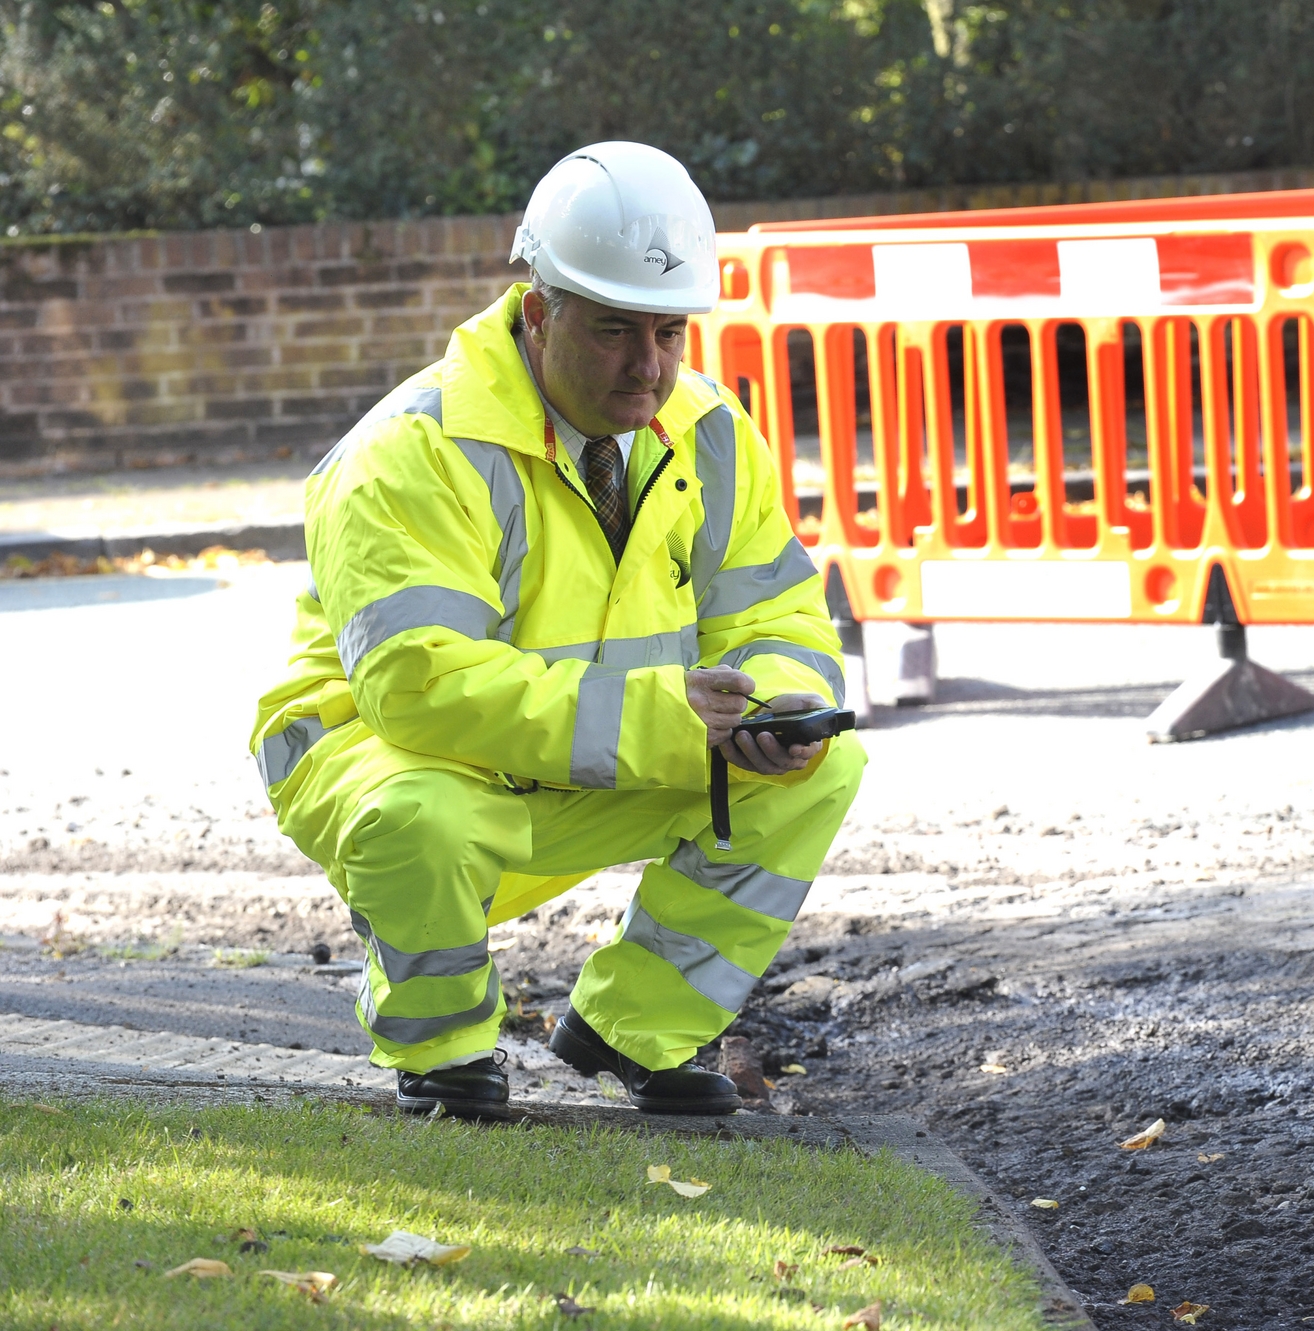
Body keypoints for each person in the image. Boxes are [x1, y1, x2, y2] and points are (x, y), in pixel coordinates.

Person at [248, 142, 863, 1119]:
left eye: (669, 333)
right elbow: (415, 684)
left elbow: (774, 607)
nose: (647, 366)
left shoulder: (706, 429)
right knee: (423, 819)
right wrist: (669, 721)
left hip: (571, 760)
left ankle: (637, 1030)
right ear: (539, 311)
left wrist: (778, 697)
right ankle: (445, 1050)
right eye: (616, 330)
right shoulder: (410, 450)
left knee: (819, 765)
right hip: (403, 763)